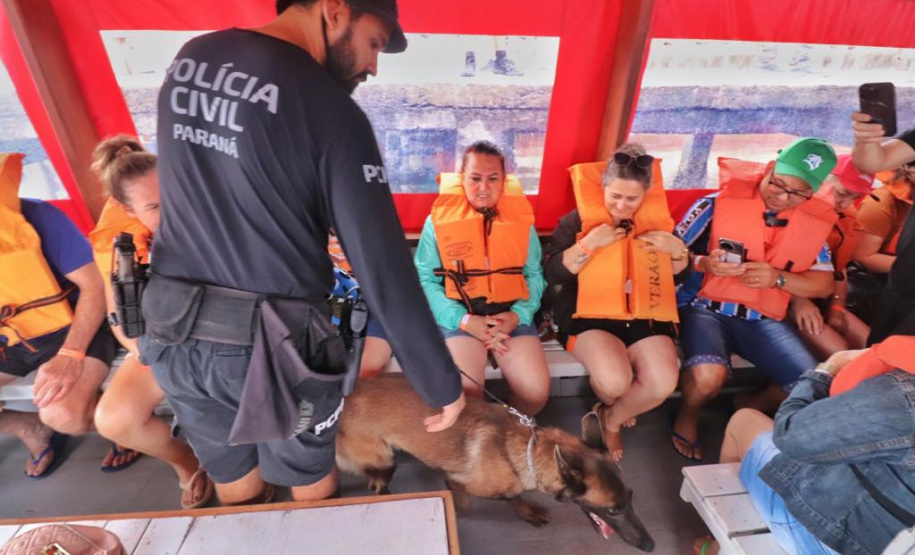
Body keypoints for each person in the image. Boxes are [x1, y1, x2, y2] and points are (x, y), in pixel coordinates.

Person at [141, 0, 465, 506]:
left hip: (172, 331)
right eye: (374, 43)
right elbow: (381, 264)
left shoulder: (192, 59)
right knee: (308, 484)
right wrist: (439, 381)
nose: (374, 66)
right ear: (335, 11)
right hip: (274, 346)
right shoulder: (331, 111)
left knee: (236, 484)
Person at [672, 138, 838, 461]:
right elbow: (669, 252)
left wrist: (779, 279)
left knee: (813, 386)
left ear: (811, 193)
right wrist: (702, 263)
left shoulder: (811, 223)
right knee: (709, 376)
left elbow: (824, 282)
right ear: (770, 168)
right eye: (779, 184)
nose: (783, 197)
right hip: (706, 309)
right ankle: (686, 415)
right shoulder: (714, 204)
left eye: (797, 193)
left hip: (763, 317)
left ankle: (750, 403)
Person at [694, 337, 915, 555]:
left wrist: (828, 369)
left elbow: (789, 436)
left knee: (743, 421)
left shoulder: (902, 396)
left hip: (839, 541)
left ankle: (717, 546)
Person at [89, 136, 214, 509]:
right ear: (129, 210)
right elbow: (123, 324)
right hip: (159, 345)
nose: (173, 212)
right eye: (156, 206)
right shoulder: (120, 247)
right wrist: (165, 357)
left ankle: (248, 468)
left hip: (226, 337)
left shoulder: (215, 218)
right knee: (114, 419)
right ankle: (186, 462)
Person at [543, 144, 685, 460]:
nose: (622, 205)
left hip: (645, 316)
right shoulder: (576, 221)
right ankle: (615, 404)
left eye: (631, 199)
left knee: (663, 383)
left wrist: (678, 252)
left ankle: (612, 418)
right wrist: (589, 243)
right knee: (615, 382)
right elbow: (551, 273)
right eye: (615, 196)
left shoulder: (659, 223)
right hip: (587, 316)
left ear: (645, 195)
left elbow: (678, 278)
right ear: (603, 187)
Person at [0, 152, 118, 478]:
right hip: (10, 339)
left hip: (73, 326)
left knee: (63, 415)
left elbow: (96, 287)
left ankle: (124, 427)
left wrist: (70, 354)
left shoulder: (37, 216)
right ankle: (28, 427)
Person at [415, 141, 550, 416]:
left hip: (509, 314)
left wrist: (517, 315)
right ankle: (478, 445)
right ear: (462, 179)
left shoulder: (522, 223)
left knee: (535, 392)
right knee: (466, 393)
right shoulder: (437, 223)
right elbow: (425, 280)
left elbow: (534, 275)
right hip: (460, 316)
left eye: (493, 179)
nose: (484, 188)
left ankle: (507, 430)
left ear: (504, 180)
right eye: (475, 179)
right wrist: (465, 321)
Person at [789, 154, 872, 360]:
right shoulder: (788, 208)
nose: (846, 203)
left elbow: (839, 270)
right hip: (783, 298)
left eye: (855, 197)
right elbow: (766, 263)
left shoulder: (842, 219)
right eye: (843, 193)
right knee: (840, 354)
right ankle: (762, 394)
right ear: (821, 179)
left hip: (821, 296)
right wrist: (798, 301)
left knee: (871, 348)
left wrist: (837, 306)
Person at [851, 114, 915, 342]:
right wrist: (866, 139)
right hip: (905, 286)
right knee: (881, 358)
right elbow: (872, 163)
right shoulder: (881, 204)